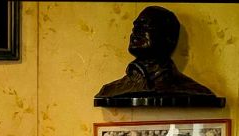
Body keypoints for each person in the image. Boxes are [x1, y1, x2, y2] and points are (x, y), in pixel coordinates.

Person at [95, 6, 224, 107]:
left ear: (169, 38)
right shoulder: (110, 90)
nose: (135, 32)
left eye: (145, 26)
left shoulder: (194, 90)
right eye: (135, 27)